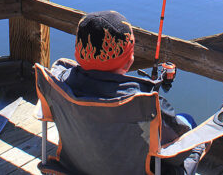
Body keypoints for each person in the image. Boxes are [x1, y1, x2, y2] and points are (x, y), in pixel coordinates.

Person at [52, 10, 207, 174]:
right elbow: (176, 152)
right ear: (128, 60)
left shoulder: (59, 79)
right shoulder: (142, 101)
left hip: (78, 165)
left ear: (79, 50)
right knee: (190, 126)